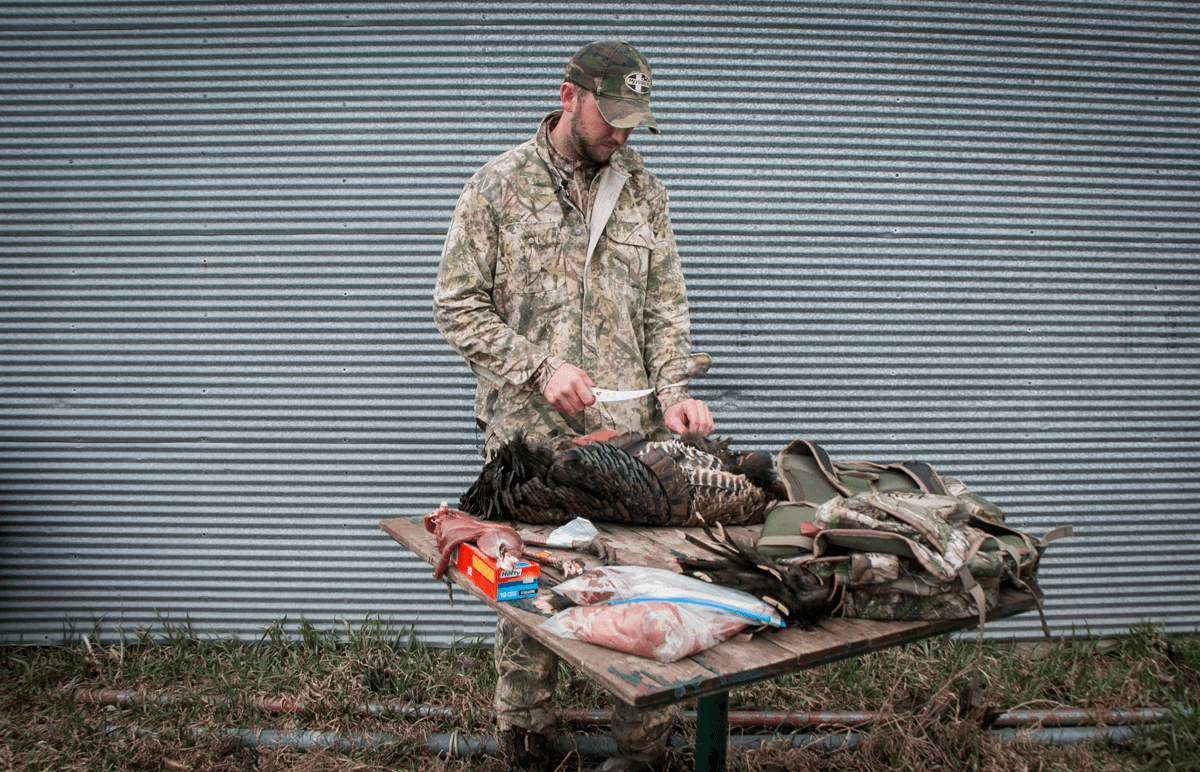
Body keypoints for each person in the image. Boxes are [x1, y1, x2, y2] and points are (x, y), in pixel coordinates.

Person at [433, 40, 713, 771]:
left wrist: (677, 394)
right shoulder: (495, 187)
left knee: (645, 587)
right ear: (568, 96)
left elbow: (665, 309)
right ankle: (528, 742)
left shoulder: (644, 190)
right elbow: (455, 306)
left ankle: (650, 747)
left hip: (630, 442)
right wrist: (537, 368)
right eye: (610, 117)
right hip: (530, 445)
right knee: (526, 591)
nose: (621, 134)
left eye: (632, 122)